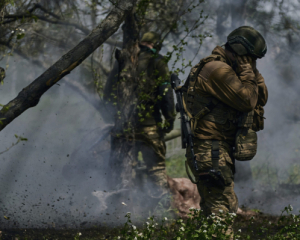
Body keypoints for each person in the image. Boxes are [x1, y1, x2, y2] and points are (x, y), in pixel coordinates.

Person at [183, 26, 268, 238]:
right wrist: (248, 72)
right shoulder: (216, 70)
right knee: (219, 214)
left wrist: (251, 72)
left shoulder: (233, 69)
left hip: (217, 150)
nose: (252, 63)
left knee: (222, 209)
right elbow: (248, 100)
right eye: (250, 58)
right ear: (240, 53)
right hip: (210, 150)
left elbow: (261, 97)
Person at [104, 31, 175, 208]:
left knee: (127, 167)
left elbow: (107, 94)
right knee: (156, 168)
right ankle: (161, 210)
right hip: (149, 126)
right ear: (155, 44)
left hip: (124, 126)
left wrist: (115, 118)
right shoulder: (158, 61)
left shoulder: (123, 61)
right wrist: (170, 118)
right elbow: (166, 94)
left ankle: (126, 209)